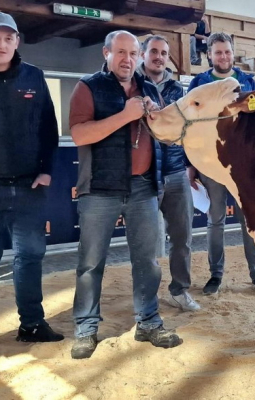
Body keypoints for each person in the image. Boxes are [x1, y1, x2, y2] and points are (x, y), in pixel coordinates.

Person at [69, 30, 182, 359]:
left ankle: (148, 322)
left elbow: (164, 135)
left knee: (147, 261)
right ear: (106, 53)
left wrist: (153, 116)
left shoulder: (148, 88)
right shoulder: (87, 86)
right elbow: (79, 134)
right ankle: (86, 328)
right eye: (120, 52)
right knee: (91, 264)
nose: (127, 59)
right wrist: (125, 116)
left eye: (133, 53)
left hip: (144, 187)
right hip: (100, 189)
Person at [187, 32, 255, 297]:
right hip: (211, 164)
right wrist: (191, 164)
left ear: (232, 53)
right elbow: (190, 125)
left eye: (227, 52)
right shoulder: (198, 83)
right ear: (209, 55)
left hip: (243, 167)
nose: (223, 56)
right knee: (215, 220)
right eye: (218, 52)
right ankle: (216, 275)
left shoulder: (246, 81)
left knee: (249, 220)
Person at [0, 12, 63, 343]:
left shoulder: (34, 77)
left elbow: (49, 130)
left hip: (28, 187)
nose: (2, 43)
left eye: (9, 37)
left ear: (17, 42)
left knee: (30, 257)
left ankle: (32, 324)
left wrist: (47, 170)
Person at [138, 35, 200, 312]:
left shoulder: (179, 90)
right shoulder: (132, 86)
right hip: (145, 176)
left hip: (176, 173)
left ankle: (179, 290)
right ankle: (146, 297)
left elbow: (189, 132)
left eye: (164, 53)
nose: (159, 57)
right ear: (143, 54)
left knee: (182, 238)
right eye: (154, 51)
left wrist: (190, 166)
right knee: (147, 245)